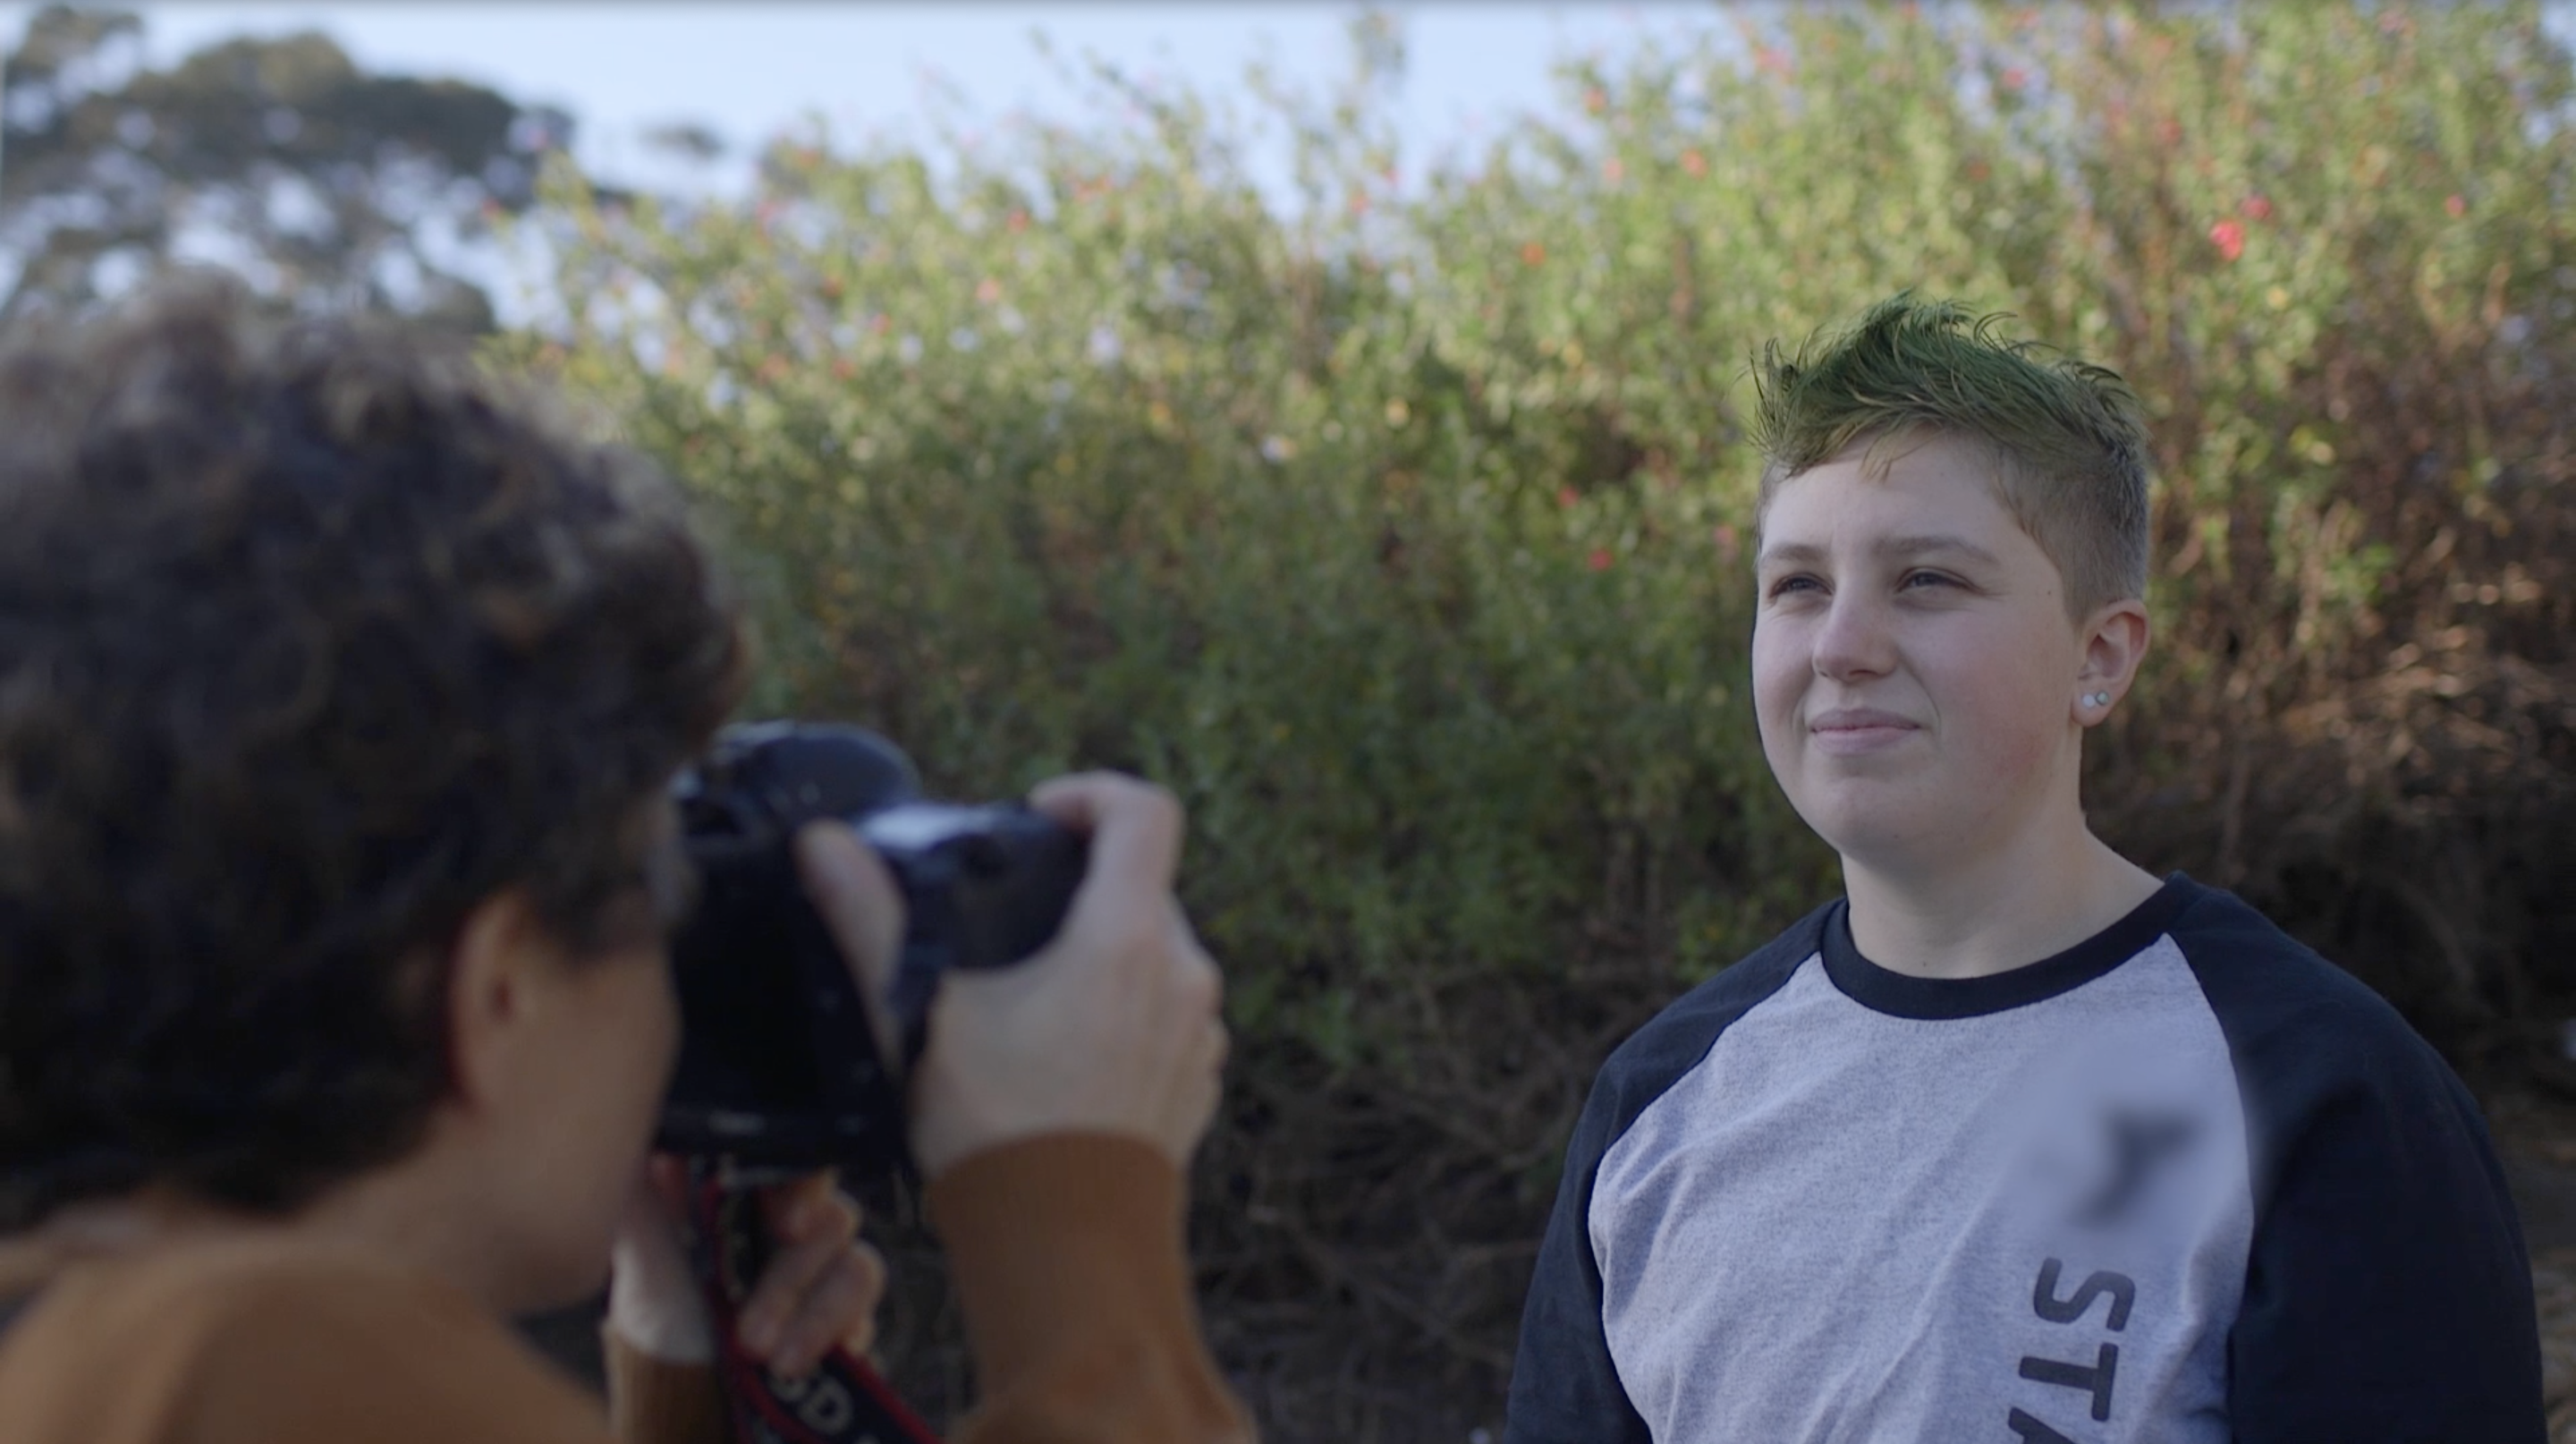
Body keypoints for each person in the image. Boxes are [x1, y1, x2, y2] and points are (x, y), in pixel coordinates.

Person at [0, 280, 1250, 1444]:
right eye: (655, 893)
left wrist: (685, 1362)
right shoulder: (248, 1357)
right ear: (499, 984)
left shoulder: (91, 1350)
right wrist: (1079, 1240)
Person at [1504, 295, 2544, 1442]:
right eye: (1797, 584)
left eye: (1926, 581)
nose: (1841, 646)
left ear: (2098, 657)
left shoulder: (2317, 1092)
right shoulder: (1660, 1105)